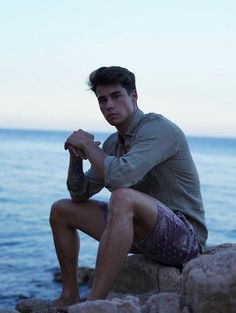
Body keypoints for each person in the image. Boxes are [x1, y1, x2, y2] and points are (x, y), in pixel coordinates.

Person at [50, 66, 208, 311]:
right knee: (61, 210)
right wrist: (76, 155)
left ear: (134, 96)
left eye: (116, 96)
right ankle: (70, 294)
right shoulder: (114, 143)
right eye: (102, 100)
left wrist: (90, 147)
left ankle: (94, 303)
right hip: (141, 233)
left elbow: (123, 176)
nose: (108, 105)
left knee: (122, 197)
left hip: (184, 237)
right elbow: (79, 193)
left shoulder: (157, 128)